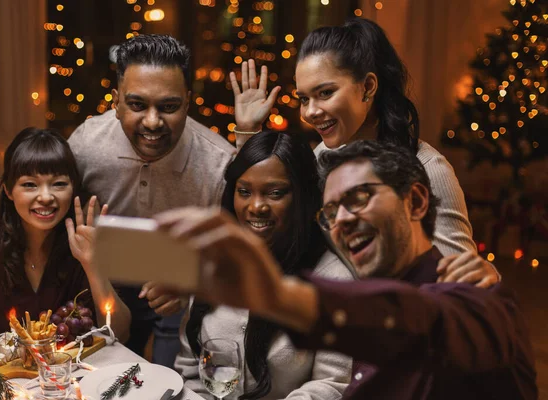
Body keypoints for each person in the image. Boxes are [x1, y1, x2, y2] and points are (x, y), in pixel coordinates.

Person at [153, 140, 538, 399]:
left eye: (359, 199)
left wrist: (275, 294)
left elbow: (425, 321)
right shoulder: (367, 297)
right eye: (332, 211)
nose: (343, 221)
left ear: (416, 201)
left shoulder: (476, 294)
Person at [0, 34, 236, 366]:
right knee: (118, 364)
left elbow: (235, 251)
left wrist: (191, 277)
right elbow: (47, 192)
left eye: (168, 107)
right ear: (116, 102)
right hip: (105, 267)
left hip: (175, 279)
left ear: (188, 100)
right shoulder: (87, 144)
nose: (153, 121)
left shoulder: (217, 164)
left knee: (170, 375)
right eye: (138, 104)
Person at [231, 18, 492, 278]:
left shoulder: (428, 168)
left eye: (325, 93)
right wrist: (248, 132)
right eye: (303, 99)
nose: (310, 112)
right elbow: (274, 223)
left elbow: (460, 285)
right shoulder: (321, 157)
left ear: (367, 87)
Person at [175, 131, 352, 399]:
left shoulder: (333, 280)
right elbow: (190, 368)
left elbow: (333, 383)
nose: (256, 206)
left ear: (302, 197)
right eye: (244, 192)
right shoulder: (211, 260)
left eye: (275, 193)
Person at [0, 128, 130, 345]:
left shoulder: (81, 240)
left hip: (62, 376)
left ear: (73, 188)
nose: (46, 197)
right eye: (29, 185)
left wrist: (92, 265)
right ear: (8, 190)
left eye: (59, 184)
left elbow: (119, 334)